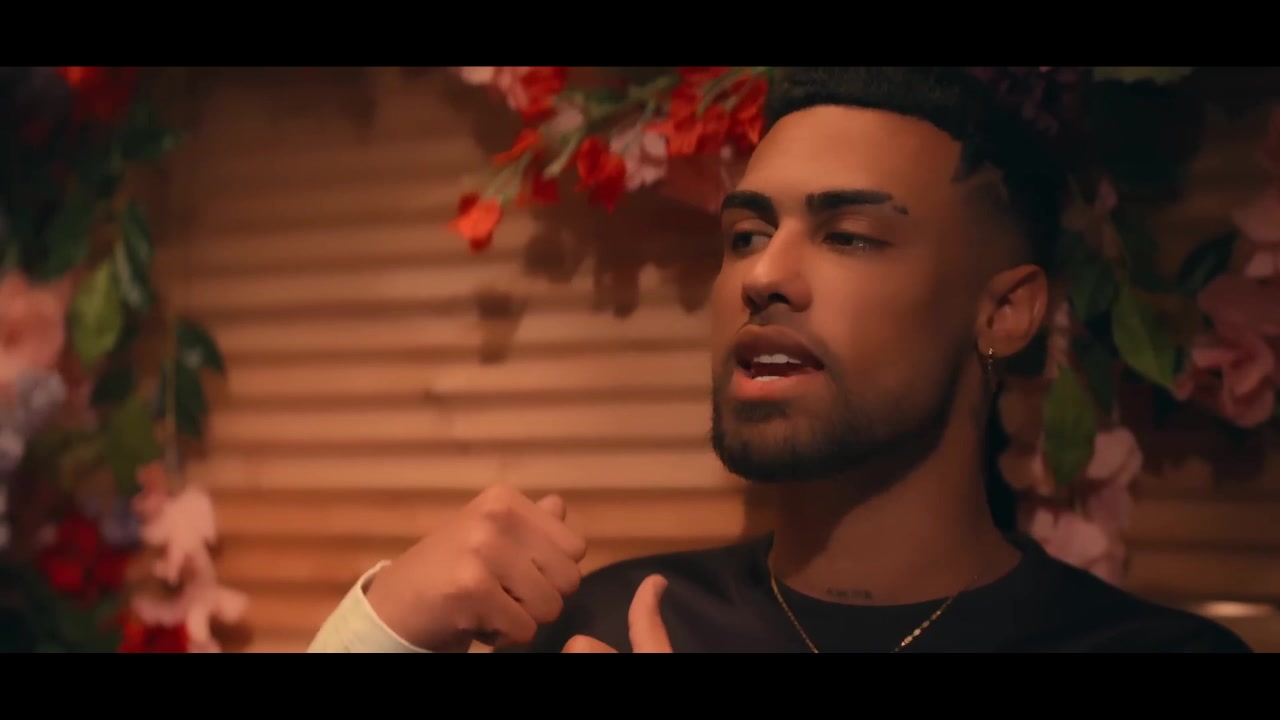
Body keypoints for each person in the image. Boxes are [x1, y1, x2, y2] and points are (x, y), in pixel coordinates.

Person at [307, 66, 1252, 653]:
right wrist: (379, 630)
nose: (763, 277)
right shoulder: (595, 629)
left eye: (849, 236)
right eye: (746, 235)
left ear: (1005, 312)